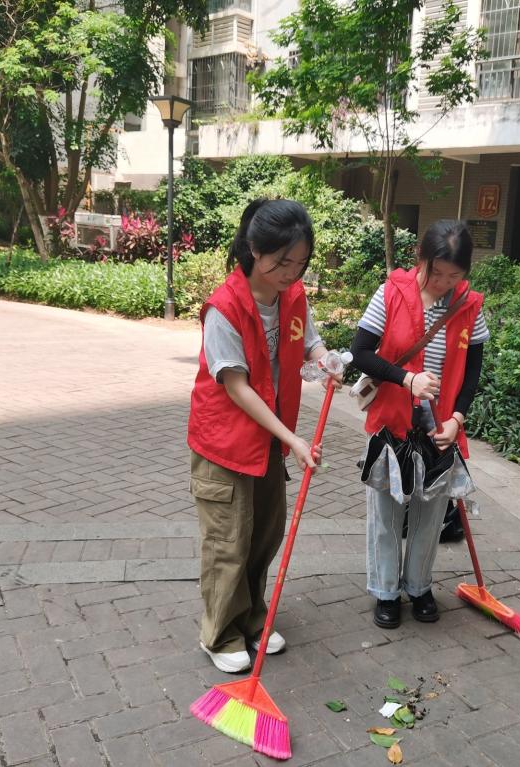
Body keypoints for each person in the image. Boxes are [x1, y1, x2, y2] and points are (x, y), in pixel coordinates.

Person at [187, 198, 337, 673]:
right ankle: (220, 633)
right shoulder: (225, 307)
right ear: (255, 249)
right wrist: (292, 439)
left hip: (270, 442)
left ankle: (253, 620)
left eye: (300, 263)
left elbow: (309, 341)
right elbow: (237, 387)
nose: (291, 273)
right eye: (282, 262)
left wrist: (325, 360)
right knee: (228, 542)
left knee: (263, 536)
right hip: (225, 442)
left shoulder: (292, 296)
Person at [351, 220, 488, 629]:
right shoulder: (391, 293)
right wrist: (406, 379)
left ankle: (419, 586)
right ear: (420, 258)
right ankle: (385, 591)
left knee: (431, 516)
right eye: (436, 273)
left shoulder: (470, 306)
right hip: (392, 423)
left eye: (454, 275)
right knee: (387, 513)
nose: (444, 283)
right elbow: (361, 352)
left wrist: (458, 419)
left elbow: (473, 373)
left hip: (440, 429)